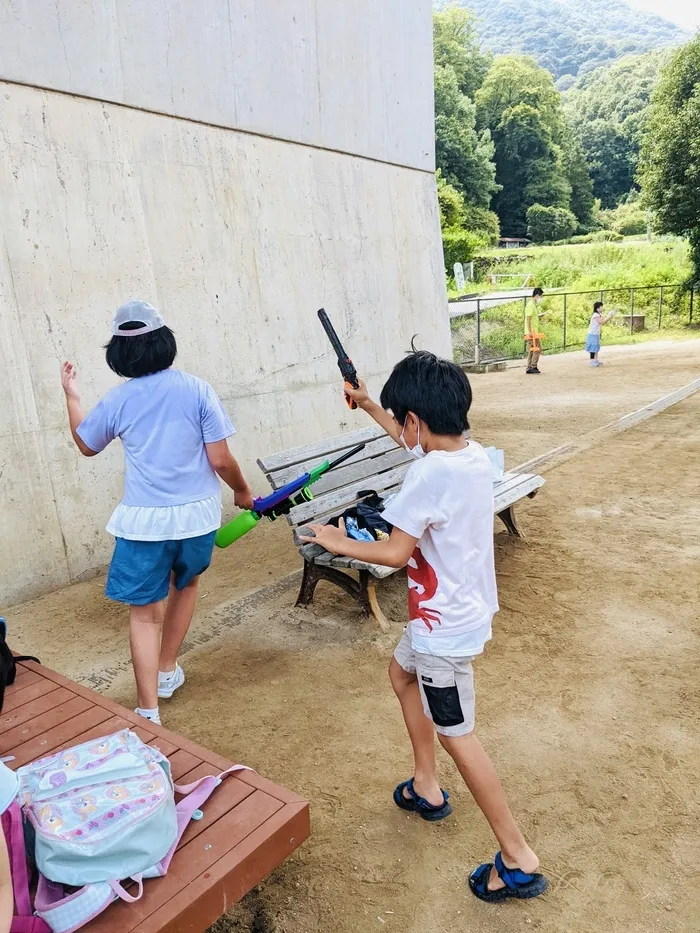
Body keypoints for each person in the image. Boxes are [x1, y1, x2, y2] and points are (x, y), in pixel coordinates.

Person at [301, 352, 548, 902]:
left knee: (458, 734)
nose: (403, 430)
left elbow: (392, 553)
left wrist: (334, 540)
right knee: (399, 674)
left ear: (415, 419)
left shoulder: (427, 472)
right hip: (453, 614)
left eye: (401, 419)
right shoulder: (471, 456)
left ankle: (517, 856)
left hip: (442, 630)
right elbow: (413, 441)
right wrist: (369, 404)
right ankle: (426, 786)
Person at [61, 300, 254, 725]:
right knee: (186, 585)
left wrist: (72, 397)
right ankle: (167, 669)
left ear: (119, 352)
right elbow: (221, 459)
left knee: (145, 615)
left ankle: (148, 710)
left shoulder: (119, 400)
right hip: (198, 518)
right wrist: (242, 491)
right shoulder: (197, 389)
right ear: (165, 342)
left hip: (144, 522)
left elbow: (86, 443)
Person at [586, 300, 615, 366]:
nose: (602, 308)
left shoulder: (599, 314)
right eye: (601, 307)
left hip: (596, 334)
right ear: (598, 308)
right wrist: (609, 317)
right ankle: (592, 361)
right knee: (593, 348)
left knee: (596, 348)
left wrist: (609, 316)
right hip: (592, 334)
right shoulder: (595, 315)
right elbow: (602, 322)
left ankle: (595, 361)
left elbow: (603, 320)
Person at [524, 287, 545, 374]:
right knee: (537, 349)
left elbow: (531, 317)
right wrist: (529, 332)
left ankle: (530, 367)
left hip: (533, 332)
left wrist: (539, 316)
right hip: (532, 332)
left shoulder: (533, 305)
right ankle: (533, 366)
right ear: (536, 296)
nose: (541, 298)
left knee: (532, 349)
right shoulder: (530, 305)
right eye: (541, 296)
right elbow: (528, 319)